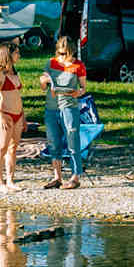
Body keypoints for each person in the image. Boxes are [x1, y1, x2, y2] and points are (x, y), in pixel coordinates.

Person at [39, 35, 88, 189]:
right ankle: (57, 176)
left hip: (69, 106)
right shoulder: (51, 63)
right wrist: (43, 81)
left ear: (72, 52)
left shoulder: (78, 66)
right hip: (51, 107)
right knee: (54, 142)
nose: (62, 56)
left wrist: (77, 93)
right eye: (59, 53)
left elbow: (83, 88)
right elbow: (42, 84)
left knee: (72, 139)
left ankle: (75, 176)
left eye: (65, 53)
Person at [0, 43, 24, 192]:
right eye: (16, 53)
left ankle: (10, 180)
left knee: (13, 149)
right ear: (8, 54)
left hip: (19, 115)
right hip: (5, 115)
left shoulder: (14, 71)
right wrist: (0, 115)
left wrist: (23, 117)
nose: (18, 55)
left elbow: (18, 96)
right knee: (1, 148)